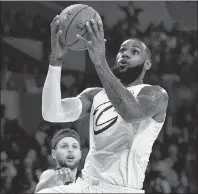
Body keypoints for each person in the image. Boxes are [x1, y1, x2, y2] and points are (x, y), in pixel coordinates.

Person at [38, 13, 169, 193]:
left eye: (135, 51)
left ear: (147, 64)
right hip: (86, 185)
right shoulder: (94, 95)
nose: (125, 54)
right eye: (122, 50)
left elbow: (130, 112)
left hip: (119, 189)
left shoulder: (155, 94)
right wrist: (56, 59)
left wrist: (100, 62)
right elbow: (51, 112)